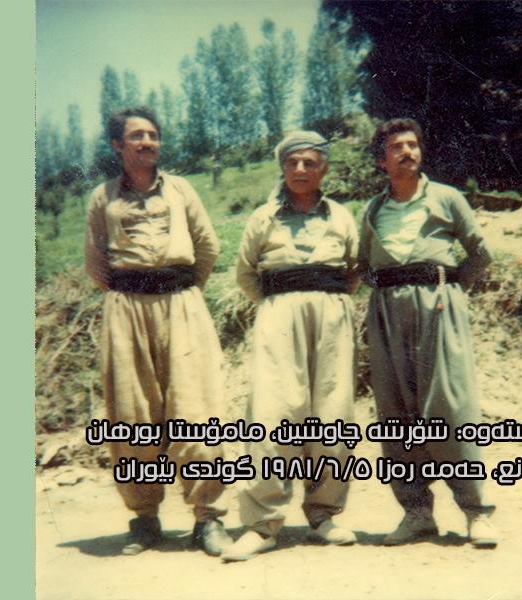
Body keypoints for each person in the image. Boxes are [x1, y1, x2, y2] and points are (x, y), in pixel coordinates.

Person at [84, 107, 232, 556]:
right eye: (137, 136)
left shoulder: (182, 189)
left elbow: (207, 245)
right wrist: (134, 293)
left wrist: (179, 291)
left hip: (182, 305)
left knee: (198, 410)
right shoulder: (102, 198)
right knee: (132, 415)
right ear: (118, 145)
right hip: (127, 310)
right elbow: (96, 262)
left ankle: (207, 519)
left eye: (153, 135)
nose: (148, 142)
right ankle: (145, 520)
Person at [359, 118, 498, 548]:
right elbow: (364, 266)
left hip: (439, 307)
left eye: (413, 145)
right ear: (381, 160)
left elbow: (480, 253)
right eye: (396, 147)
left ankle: (476, 511)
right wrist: (390, 296)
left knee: (450, 405)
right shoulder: (373, 210)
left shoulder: (447, 198)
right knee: (395, 410)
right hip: (387, 312)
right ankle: (416, 512)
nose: (407, 152)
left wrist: (450, 290)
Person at [222, 131, 360, 561]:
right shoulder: (263, 218)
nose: (301, 169)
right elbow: (246, 274)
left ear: (324, 168)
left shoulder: (341, 217)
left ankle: (323, 514)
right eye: (292, 162)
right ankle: (262, 524)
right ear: (282, 167)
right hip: (278, 318)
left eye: (310, 162)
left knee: (332, 412)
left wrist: (325, 303)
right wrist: (280, 306)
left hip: (332, 319)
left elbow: (354, 269)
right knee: (272, 414)